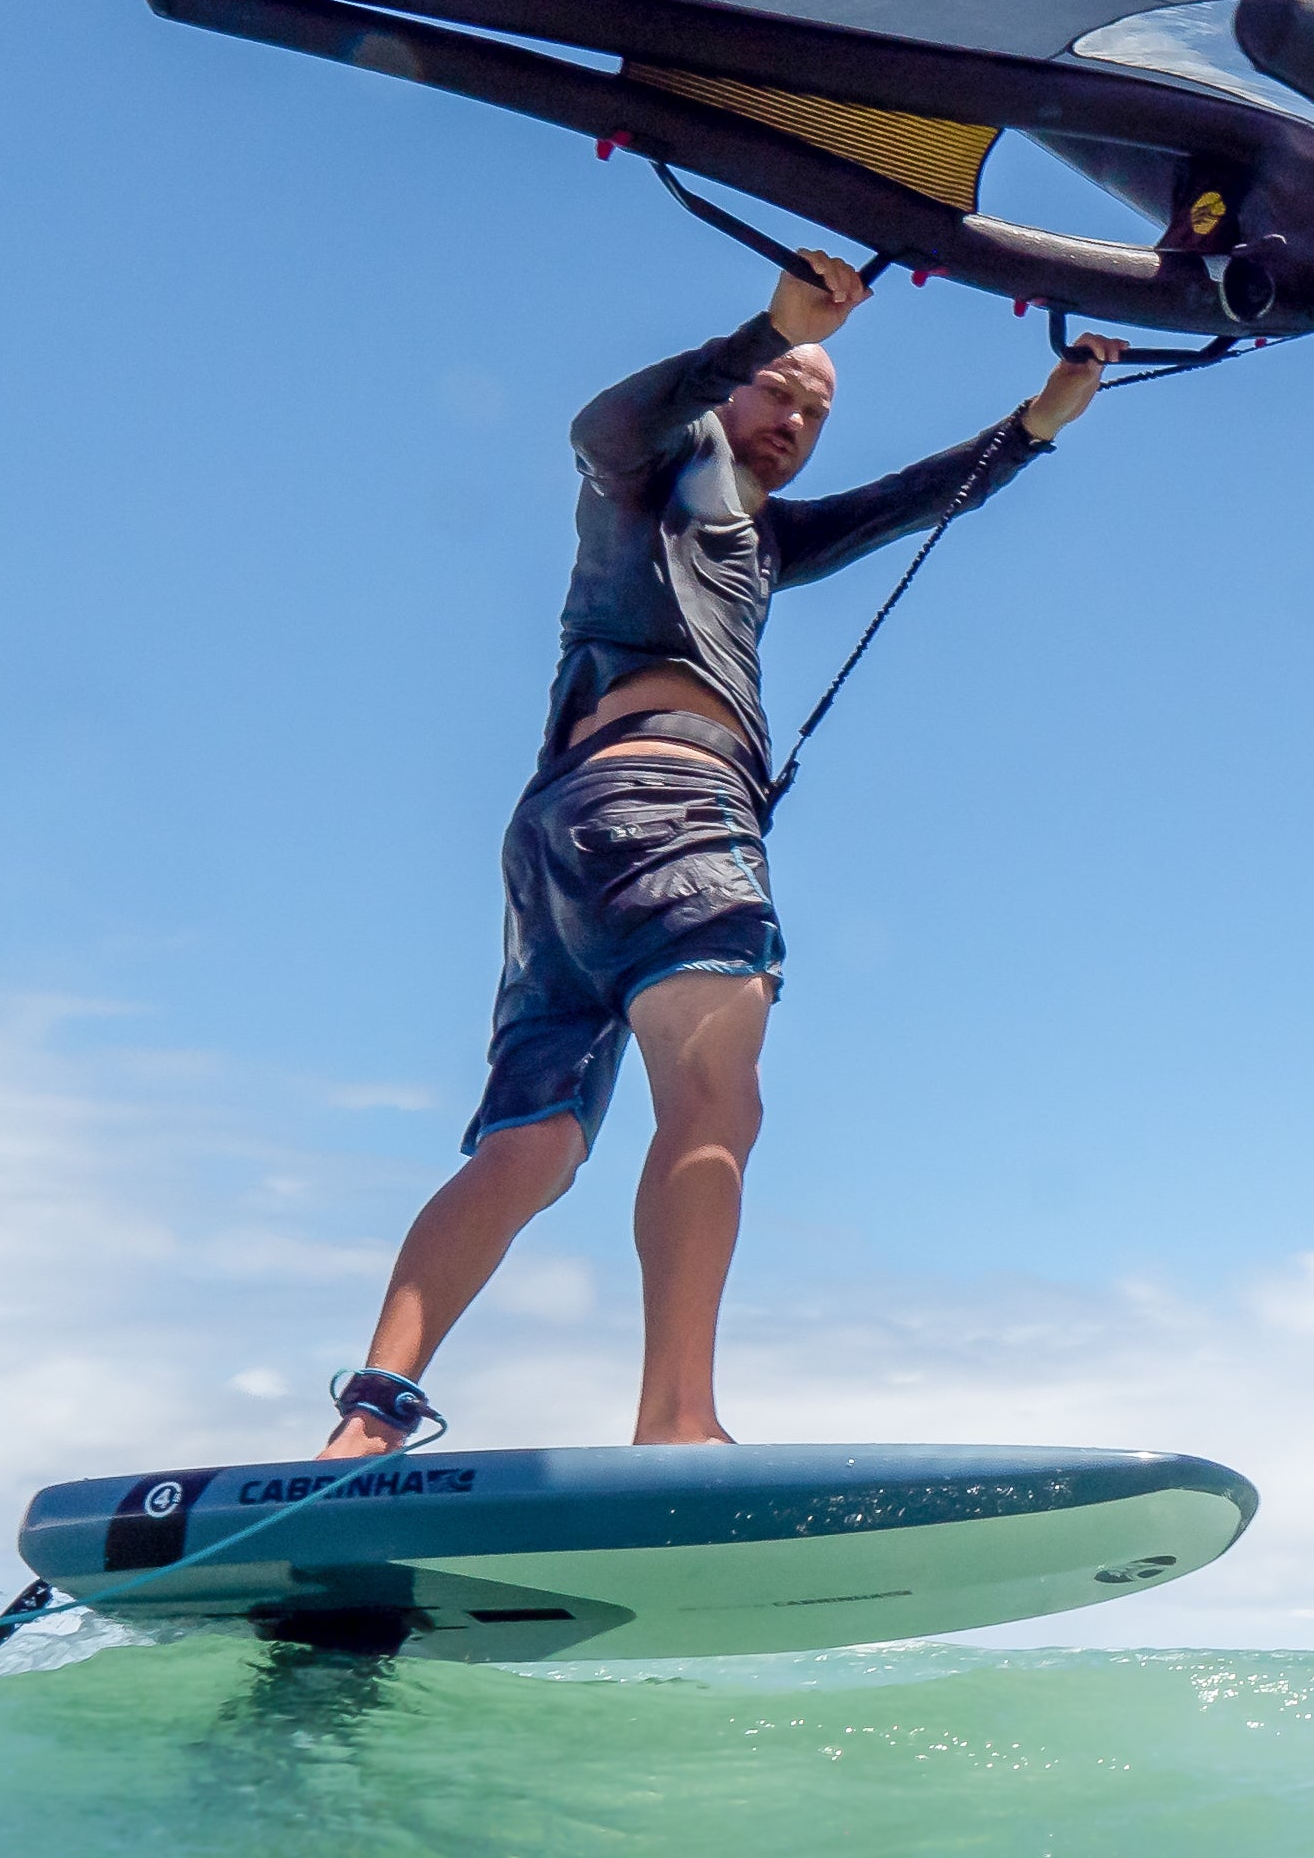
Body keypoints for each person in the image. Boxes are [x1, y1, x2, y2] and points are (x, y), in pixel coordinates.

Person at [318, 252, 1125, 1459]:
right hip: (669, 817)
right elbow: (602, 423)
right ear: (728, 395)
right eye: (780, 393)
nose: (793, 420)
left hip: (560, 851)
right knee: (713, 1100)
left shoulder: (759, 536)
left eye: (815, 411)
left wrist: (1032, 427)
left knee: (530, 1145)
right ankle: (678, 1420)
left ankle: (367, 1424)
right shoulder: (652, 469)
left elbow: (909, 501)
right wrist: (767, 329)